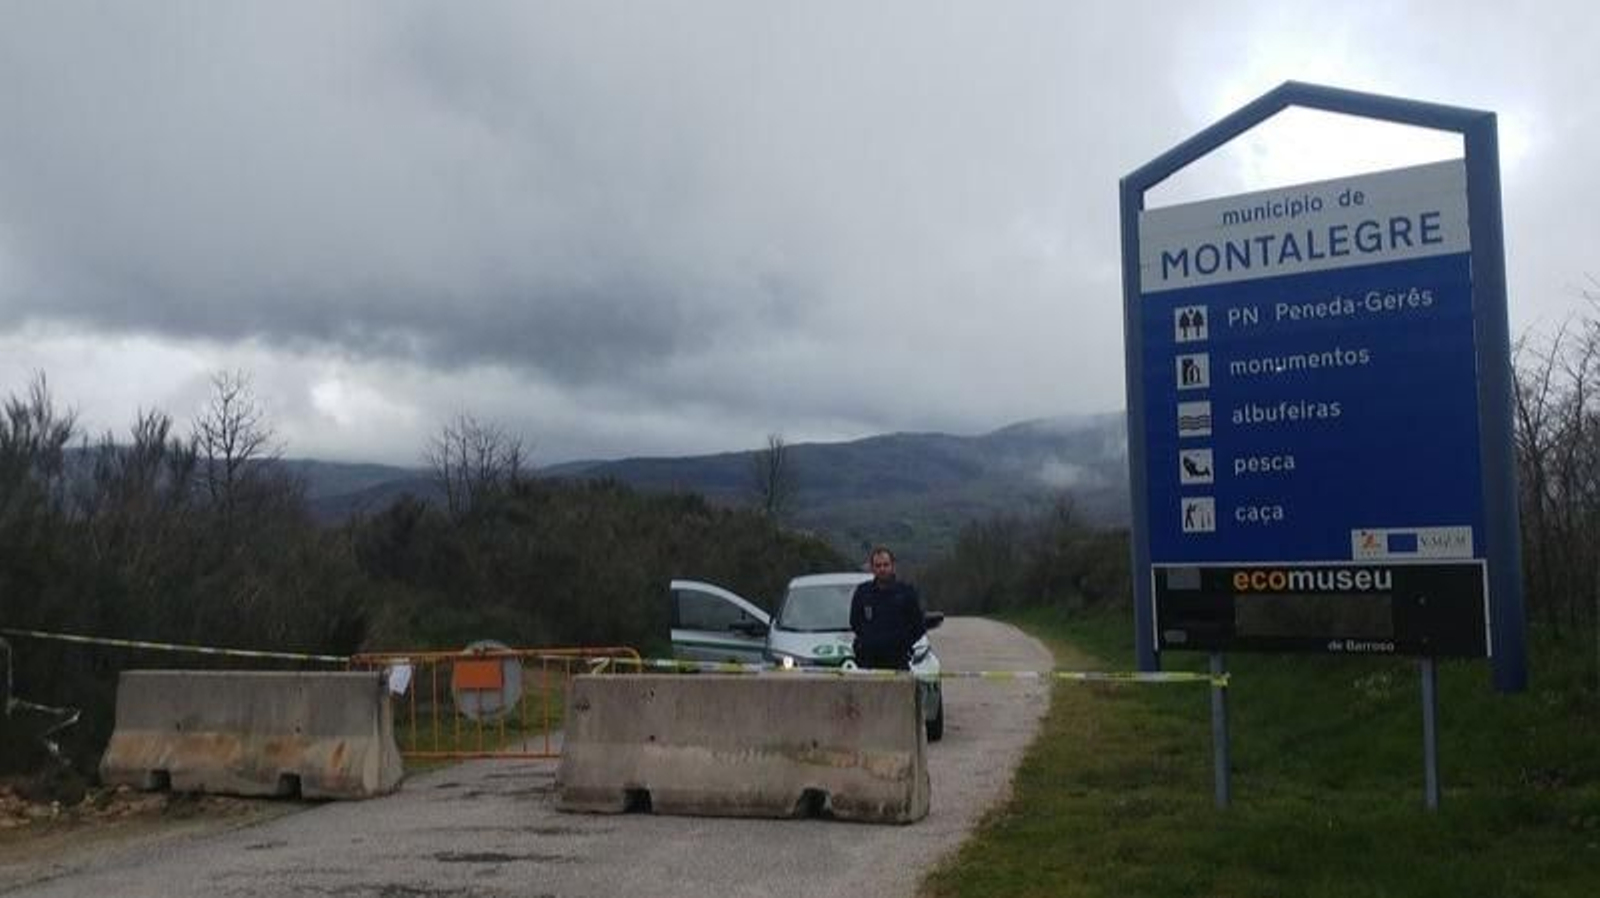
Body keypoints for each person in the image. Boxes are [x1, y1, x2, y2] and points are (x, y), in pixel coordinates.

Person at [849, 547, 927, 670]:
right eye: (878, 565)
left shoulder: (906, 593)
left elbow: (918, 626)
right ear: (872, 568)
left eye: (886, 565)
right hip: (868, 662)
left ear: (893, 566)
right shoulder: (863, 592)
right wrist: (868, 641)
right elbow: (855, 622)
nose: (882, 569)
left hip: (898, 661)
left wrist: (903, 644)